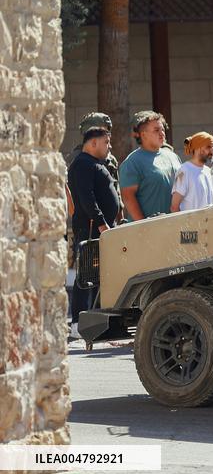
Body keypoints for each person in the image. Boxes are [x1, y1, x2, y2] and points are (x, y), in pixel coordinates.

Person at [66, 127, 121, 339]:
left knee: (98, 275)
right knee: (85, 275)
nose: (109, 147)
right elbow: (86, 198)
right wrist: (101, 224)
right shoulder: (82, 164)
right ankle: (78, 323)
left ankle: (97, 321)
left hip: (102, 228)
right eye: (106, 142)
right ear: (93, 143)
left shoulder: (96, 164)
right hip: (91, 228)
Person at [118, 112, 181, 221]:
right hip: (149, 230)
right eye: (156, 130)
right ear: (143, 135)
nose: (162, 133)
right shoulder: (132, 163)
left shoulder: (173, 157)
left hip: (176, 225)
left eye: (162, 130)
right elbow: (128, 197)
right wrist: (144, 226)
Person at [171, 131, 213, 212]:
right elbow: (174, 207)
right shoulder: (184, 171)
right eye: (208, 147)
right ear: (198, 148)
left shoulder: (209, 172)